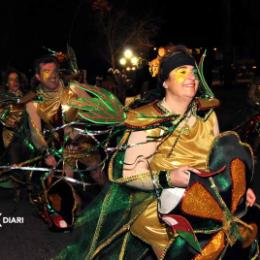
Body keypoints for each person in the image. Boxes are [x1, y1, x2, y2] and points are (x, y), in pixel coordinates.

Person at [57, 45, 257, 259]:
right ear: (165, 82)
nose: (191, 77)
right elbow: (130, 176)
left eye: (194, 72)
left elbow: (216, 162)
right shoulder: (148, 120)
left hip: (206, 198)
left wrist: (238, 190)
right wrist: (169, 177)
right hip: (157, 206)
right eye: (182, 72)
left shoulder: (207, 115)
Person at [26, 55, 106, 229]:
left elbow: (92, 112)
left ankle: (113, 206)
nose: (52, 75)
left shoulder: (73, 90)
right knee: (68, 184)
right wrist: (46, 152)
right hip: (59, 149)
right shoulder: (33, 103)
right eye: (46, 71)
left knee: (98, 176)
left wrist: (79, 129)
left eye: (54, 70)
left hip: (82, 141)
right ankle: (74, 212)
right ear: (38, 77)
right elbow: (35, 133)